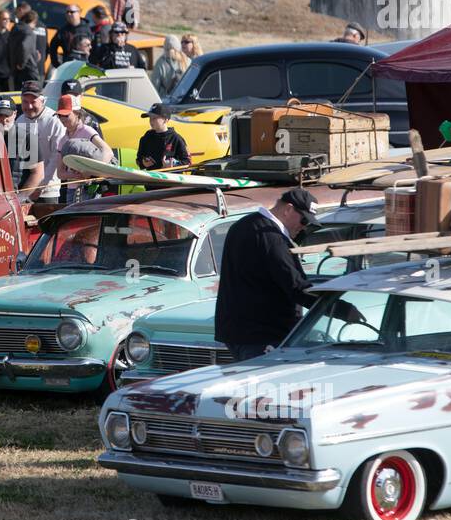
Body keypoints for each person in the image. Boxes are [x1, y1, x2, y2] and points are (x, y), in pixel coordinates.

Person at [215, 188, 361, 361]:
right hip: (263, 334)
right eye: (304, 220)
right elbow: (296, 287)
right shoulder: (273, 239)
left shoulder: (243, 225)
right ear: (288, 209)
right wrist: (342, 310)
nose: (303, 226)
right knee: (270, 386)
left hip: (236, 331)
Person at [13, 81, 65, 204]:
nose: (29, 106)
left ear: (43, 101)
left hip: (48, 189)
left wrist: (42, 185)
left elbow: (56, 156)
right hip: (25, 188)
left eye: (33, 102)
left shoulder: (54, 120)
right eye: (25, 102)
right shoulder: (19, 122)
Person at [137, 103, 191, 170]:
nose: (151, 121)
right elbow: (138, 159)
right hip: (151, 177)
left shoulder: (176, 139)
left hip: (170, 178)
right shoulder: (146, 138)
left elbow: (187, 162)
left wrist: (174, 164)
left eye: (154, 118)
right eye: (150, 117)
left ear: (166, 120)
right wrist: (143, 163)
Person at [7, 10, 45, 89]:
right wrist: (22, 63)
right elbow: (25, 47)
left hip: (14, 67)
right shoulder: (29, 32)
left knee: (18, 92)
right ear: (33, 21)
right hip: (28, 69)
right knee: (34, 91)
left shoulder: (15, 28)